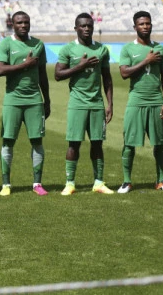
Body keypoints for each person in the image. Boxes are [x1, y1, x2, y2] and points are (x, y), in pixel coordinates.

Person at [55, 13, 114, 196]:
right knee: (74, 144)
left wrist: (110, 104)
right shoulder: (68, 49)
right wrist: (80, 66)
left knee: (97, 144)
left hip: (97, 104)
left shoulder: (102, 49)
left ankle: (98, 182)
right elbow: (58, 75)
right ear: (76, 28)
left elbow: (107, 78)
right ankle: (70, 183)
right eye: (83, 26)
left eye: (89, 25)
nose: (87, 28)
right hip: (77, 103)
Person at [117, 11, 163, 193]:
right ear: (135, 27)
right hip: (136, 101)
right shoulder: (128, 49)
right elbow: (124, 73)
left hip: (157, 102)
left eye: (148, 23)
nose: (145, 26)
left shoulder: (160, 49)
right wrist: (146, 60)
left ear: (151, 25)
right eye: (141, 24)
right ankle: (126, 182)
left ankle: (161, 181)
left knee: (160, 143)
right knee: (129, 143)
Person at [0, 12, 50, 196]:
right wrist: (24, 65)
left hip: (34, 100)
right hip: (13, 99)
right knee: (8, 141)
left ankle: (37, 183)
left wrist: (47, 100)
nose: (23, 25)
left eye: (26, 22)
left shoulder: (38, 44)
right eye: (19, 22)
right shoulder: (6, 43)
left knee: (37, 141)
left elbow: (43, 74)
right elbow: (0, 70)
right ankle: (6, 184)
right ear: (13, 24)